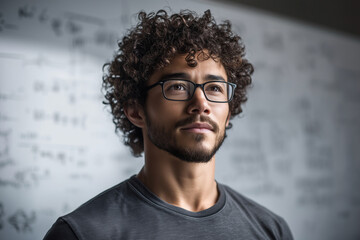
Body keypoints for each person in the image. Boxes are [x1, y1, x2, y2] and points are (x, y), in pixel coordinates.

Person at [44, 9, 293, 240]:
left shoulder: (271, 230)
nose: (201, 103)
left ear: (228, 114)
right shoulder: (82, 233)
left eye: (215, 88)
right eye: (177, 87)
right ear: (135, 110)